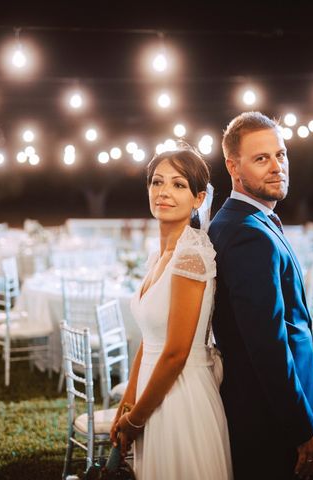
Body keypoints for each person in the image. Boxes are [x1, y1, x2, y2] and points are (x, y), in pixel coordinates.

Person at [208, 111, 313, 480]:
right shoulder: (247, 234)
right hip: (270, 419)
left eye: (281, 154)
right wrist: (301, 427)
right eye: (261, 158)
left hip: (259, 409)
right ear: (233, 166)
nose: (277, 166)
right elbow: (267, 345)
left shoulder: (241, 222)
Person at [111, 146, 232, 480]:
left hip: (181, 397)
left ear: (199, 198)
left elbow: (176, 352)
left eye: (178, 185)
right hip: (152, 392)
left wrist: (135, 420)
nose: (163, 192)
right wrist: (128, 402)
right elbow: (149, 342)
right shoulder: (159, 256)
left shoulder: (190, 255)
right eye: (157, 182)